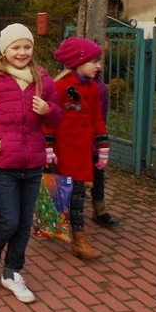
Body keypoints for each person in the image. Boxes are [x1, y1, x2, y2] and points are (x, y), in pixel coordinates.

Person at [0, 23, 61, 303]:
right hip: (3, 161)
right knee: (8, 218)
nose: (22, 52)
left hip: (32, 161)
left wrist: (48, 110)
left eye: (26, 46)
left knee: (24, 221)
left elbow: (57, 119)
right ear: (5, 51)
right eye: (16, 47)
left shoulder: (43, 78)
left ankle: (13, 271)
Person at [47, 37, 110, 260]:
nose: (98, 65)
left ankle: (77, 236)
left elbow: (97, 118)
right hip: (64, 151)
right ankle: (67, 232)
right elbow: (49, 118)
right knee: (66, 191)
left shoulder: (93, 88)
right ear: (78, 61)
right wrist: (48, 147)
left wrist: (102, 146)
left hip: (83, 151)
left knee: (77, 194)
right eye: (93, 61)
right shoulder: (60, 86)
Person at [91, 69, 120, 227]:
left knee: (98, 175)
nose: (96, 65)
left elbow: (102, 115)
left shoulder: (99, 87)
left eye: (97, 61)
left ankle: (100, 210)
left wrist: (100, 138)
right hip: (72, 141)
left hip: (93, 138)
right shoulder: (65, 83)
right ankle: (61, 212)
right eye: (92, 61)